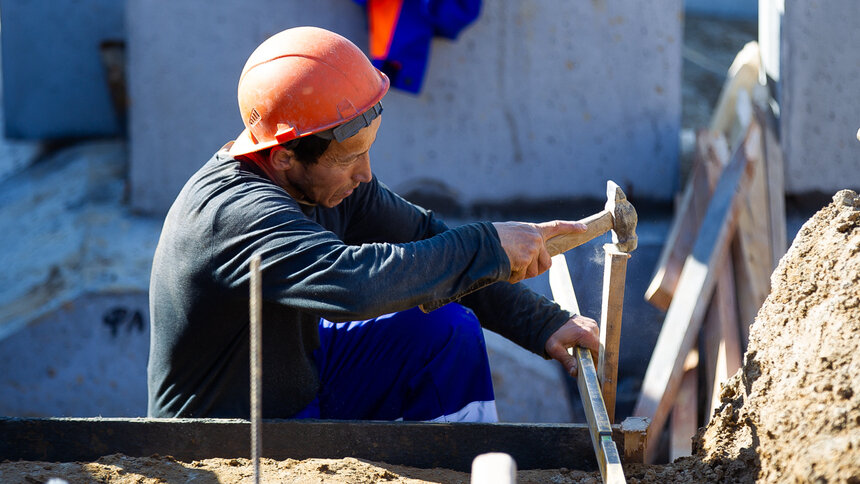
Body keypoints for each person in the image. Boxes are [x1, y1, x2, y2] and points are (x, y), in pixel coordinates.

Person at [147, 26, 599, 421]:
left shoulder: (329, 184)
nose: (364, 174)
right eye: (348, 159)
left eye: (367, 150)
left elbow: (424, 239)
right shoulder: (235, 216)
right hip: (231, 432)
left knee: (447, 331)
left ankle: (469, 467)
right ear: (284, 157)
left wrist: (543, 323)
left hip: (299, 376)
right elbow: (355, 285)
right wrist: (488, 246)